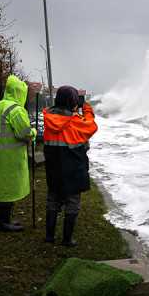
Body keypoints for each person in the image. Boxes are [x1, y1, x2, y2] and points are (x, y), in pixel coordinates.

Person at [43, 86, 98, 246]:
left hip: (54, 168)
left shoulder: (48, 117)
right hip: (73, 170)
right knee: (72, 203)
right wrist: (86, 107)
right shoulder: (75, 121)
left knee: (53, 200)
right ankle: (67, 239)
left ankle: (49, 236)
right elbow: (91, 126)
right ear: (73, 102)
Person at [0, 75, 36, 232]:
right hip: (10, 158)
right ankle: (3, 223)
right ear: (20, 93)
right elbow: (25, 133)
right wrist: (33, 132)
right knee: (7, 190)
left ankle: (2, 221)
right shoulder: (16, 110)